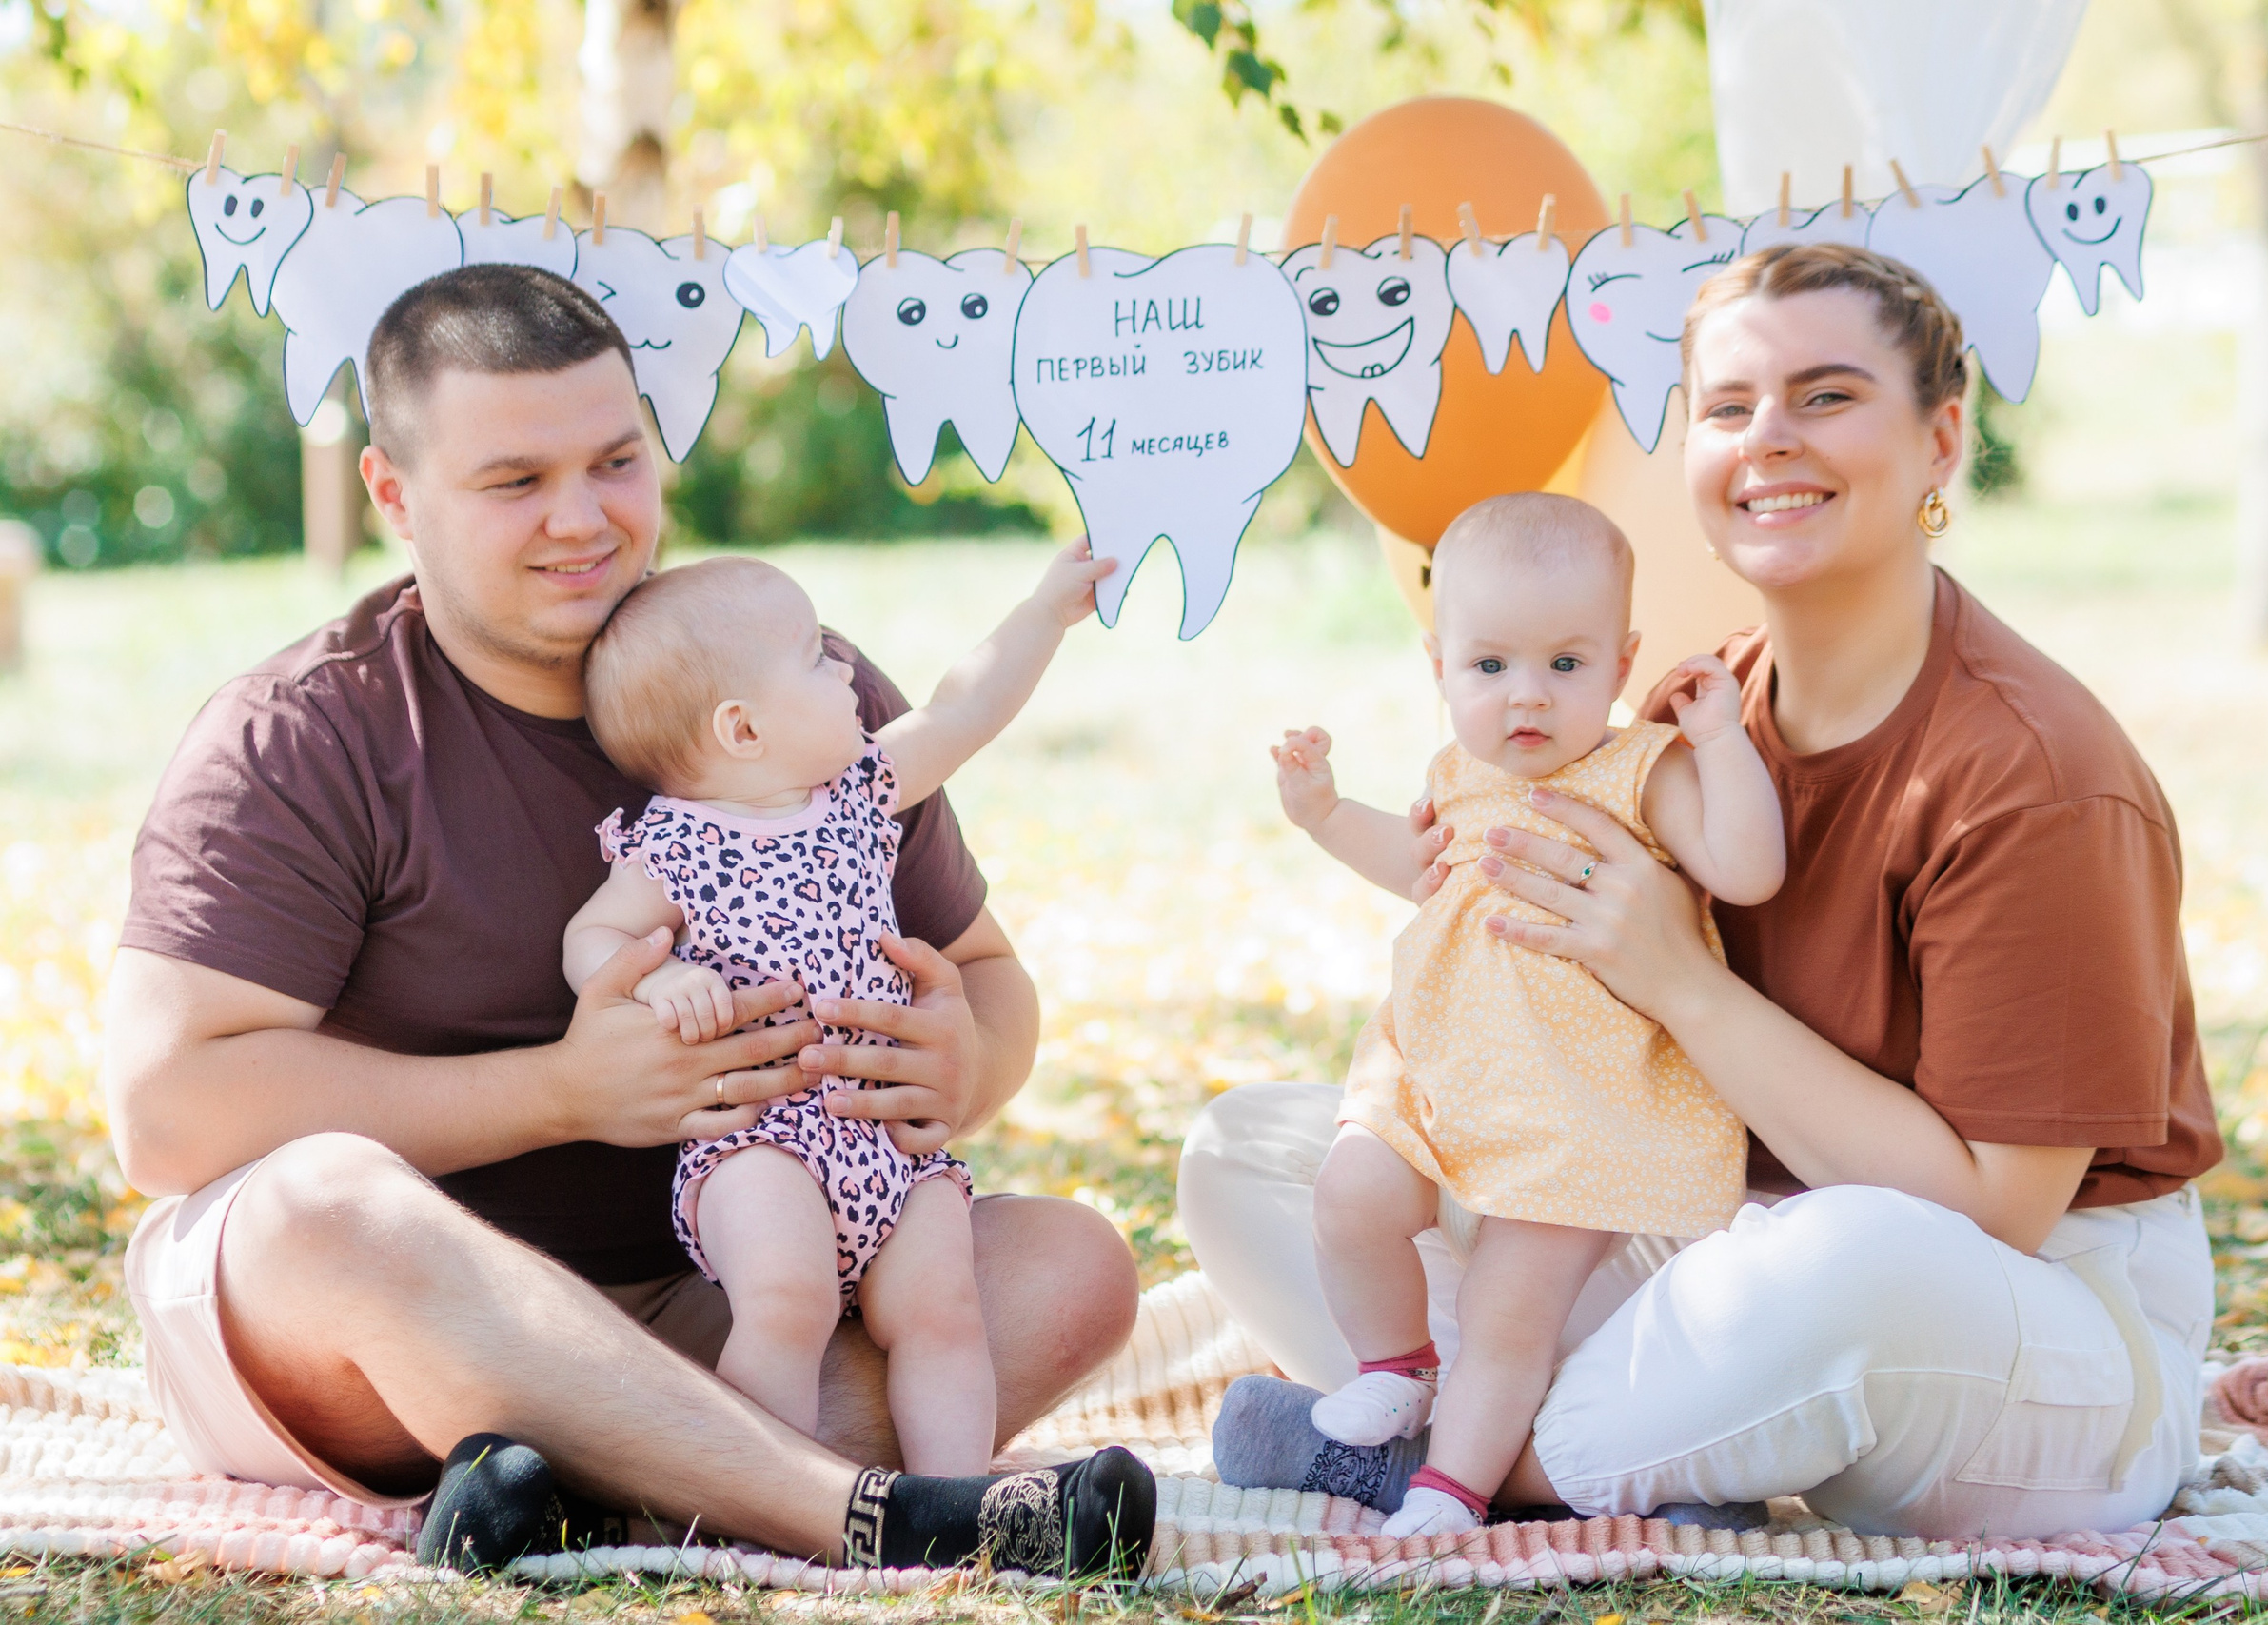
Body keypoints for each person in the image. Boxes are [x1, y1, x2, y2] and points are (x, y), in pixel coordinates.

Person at [102, 264, 1152, 1576]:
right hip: (399, 1321)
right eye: (515, 481)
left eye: (615, 460)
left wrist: (965, 1060)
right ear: (393, 493)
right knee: (321, 1206)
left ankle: (577, 1492)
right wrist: (565, 1090)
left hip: (729, 1291)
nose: (583, 519)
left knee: (1073, 1263)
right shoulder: (306, 735)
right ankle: (850, 1507)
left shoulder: (778, 685)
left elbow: (991, 978)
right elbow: (167, 1107)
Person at [1193, 243, 2224, 1542]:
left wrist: (1675, 970)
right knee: (1263, 1154)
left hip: (2023, 1308)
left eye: (1829, 396)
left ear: (1941, 438)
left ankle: (1480, 1461)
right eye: (1730, 407)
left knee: (1840, 1265)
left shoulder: (2036, 778)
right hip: (1733, 1222)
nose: (1769, 440)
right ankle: (1554, 1435)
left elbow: (1989, 1209)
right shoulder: (1691, 713)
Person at [1267, 492, 1783, 1537]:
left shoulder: (1642, 769)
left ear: (1622, 660)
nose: (1526, 698)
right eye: (1490, 667)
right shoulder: (1456, 775)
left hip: (1575, 1101)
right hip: (1439, 1069)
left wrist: (1722, 742)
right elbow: (1415, 872)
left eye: (1566, 664)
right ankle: (1398, 1366)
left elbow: (1748, 869)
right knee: (1349, 1196)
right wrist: (1323, 812)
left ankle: (1451, 1488)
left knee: (1510, 1310)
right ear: (1439, 666)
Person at [567, 545, 1110, 1472]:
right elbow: (590, 941)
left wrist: (1046, 611)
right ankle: (760, 1501)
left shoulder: (859, 793)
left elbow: (962, 709)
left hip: (887, 1141)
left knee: (941, 1313)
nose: (848, 669)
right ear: (740, 729)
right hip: (763, 1142)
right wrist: (658, 981)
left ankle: (955, 1500)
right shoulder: (674, 846)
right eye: (817, 656)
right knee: (788, 1303)